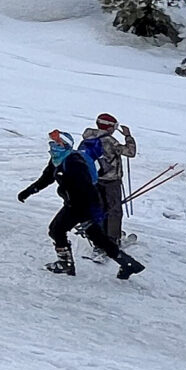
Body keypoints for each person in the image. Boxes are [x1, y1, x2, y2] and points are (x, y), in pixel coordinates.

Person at [19, 130, 144, 279]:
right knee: (98, 238)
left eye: (55, 143)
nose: (51, 146)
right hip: (77, 204)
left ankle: (66, 264)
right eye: (51, 143)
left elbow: (88, 189)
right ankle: (129, 264)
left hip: (80, 205)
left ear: (65, 145)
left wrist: (94, 212)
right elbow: (46, 178)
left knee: (56, 230)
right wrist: (28, 192)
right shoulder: (57, 160)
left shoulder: (74, 163)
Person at [84, 113, 137, 242]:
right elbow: (131, 152)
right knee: (114, 210)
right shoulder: (109, 141)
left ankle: (99, 237)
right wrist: (128, 136)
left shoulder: (89, 137)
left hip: (95, 179)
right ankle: (113, 239)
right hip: (111, 181)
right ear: (109, 128)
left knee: (100, 209)